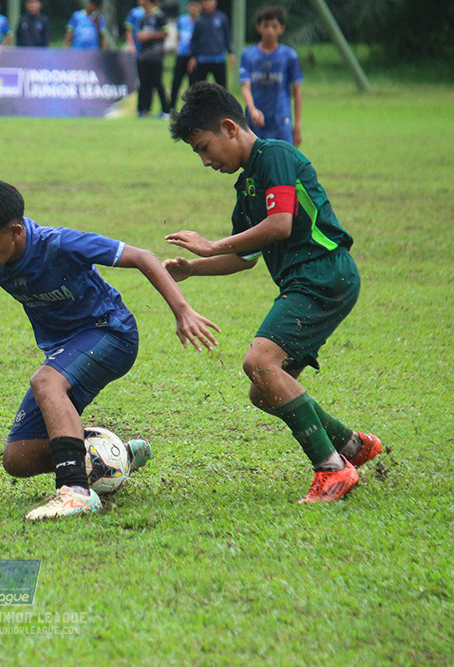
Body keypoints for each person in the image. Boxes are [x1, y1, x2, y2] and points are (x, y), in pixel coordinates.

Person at [0, 177, 219, 520]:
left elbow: (142, 257)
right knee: (18, 459)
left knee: (45, 382)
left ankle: (75, 490)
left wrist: (182, 311)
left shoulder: (59, 243)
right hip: (67, 348)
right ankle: (111, 453)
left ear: (15, 231)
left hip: (111, 333)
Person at [163, 83, 383, 504]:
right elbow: (244, 255)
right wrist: (194, 268)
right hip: (308, 280)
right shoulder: (248, 186)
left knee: (260, 363)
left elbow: (280, 225)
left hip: (322, 273)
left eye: (205, 148)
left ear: (230, 128)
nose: (206, 161)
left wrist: (209, 244)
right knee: (264, 389)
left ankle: (333, 470)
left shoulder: (276, 156)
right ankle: (354, 445)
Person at [239, 6, 303, 146]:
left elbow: (297, 91)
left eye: (274, 26)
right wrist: (252, 110)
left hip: (281, 118)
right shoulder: (248, 55)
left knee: (283, 157)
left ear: (281, 29)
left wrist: (297, 125)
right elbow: (245, 87)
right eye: (266, 26)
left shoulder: (289, 56)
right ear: (258, 28)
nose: (269, 31)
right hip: (256, 119)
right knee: (255, 158)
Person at [135, 0, 171, 118]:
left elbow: (165, 33)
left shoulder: (160, 15)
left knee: (157, 82)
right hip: (143, 55)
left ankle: (165, 110)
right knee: (144, 83)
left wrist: (149, 36)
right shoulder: (143, 16)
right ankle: (143, 109)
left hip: (156, 55)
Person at [187, 0, 234, 86]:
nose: (207, 4)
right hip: (203, 59)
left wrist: (231, 52)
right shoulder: (199, 20)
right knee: (199, 87)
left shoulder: (222, 17)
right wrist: (193, 56)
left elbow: (227, 36)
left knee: (222, 87)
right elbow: (194, 39)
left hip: (218, 58)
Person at [169, 0, 199, 113]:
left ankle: (193, 109)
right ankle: (171, 107)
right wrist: (177, 48)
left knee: (193, 84)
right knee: (176, 82)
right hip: (182, 55)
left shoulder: (200, 22)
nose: (193, 9)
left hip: (193, 56)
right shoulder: (182, 20)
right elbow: (178, 35)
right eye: (191, 6)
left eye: (195, 6)